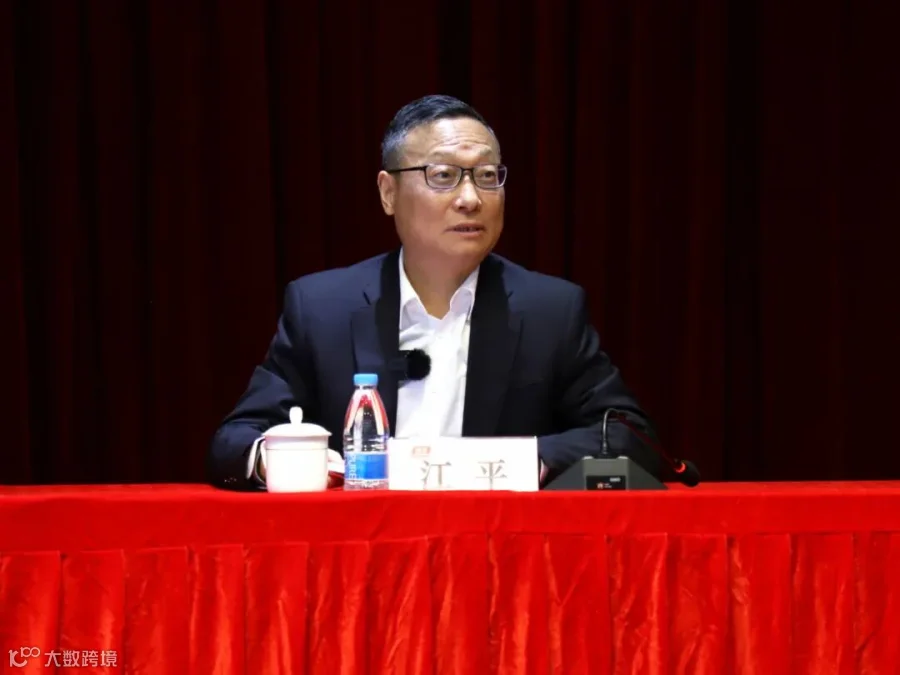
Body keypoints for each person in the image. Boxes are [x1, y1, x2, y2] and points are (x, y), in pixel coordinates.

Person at [207, 94, 662, 490]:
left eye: (487, 175)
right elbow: (236, 440)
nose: (471, 198)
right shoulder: (323, 308)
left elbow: (628, 435)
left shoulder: (550, 311)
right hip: (359, 547)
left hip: (493, 546)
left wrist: (522, 462)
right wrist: (285, 458)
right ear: (388, 192)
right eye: (443, 175)